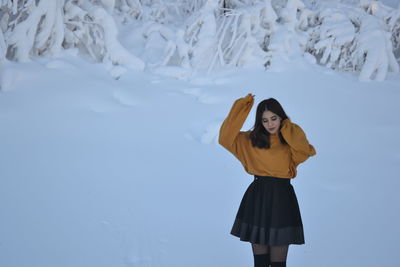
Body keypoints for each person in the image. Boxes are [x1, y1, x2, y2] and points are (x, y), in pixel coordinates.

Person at [218, 94, 316, 267]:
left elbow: (304, 150)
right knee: (260, 263)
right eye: (265, 120)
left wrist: (287, 127)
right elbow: (225, 138)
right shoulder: (249, 140)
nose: (270, 124)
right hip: (258, 198)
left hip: (282, 198)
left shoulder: (290, 141)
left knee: (278, 263)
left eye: (274, 118)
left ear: (281, 118)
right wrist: (241, 108)